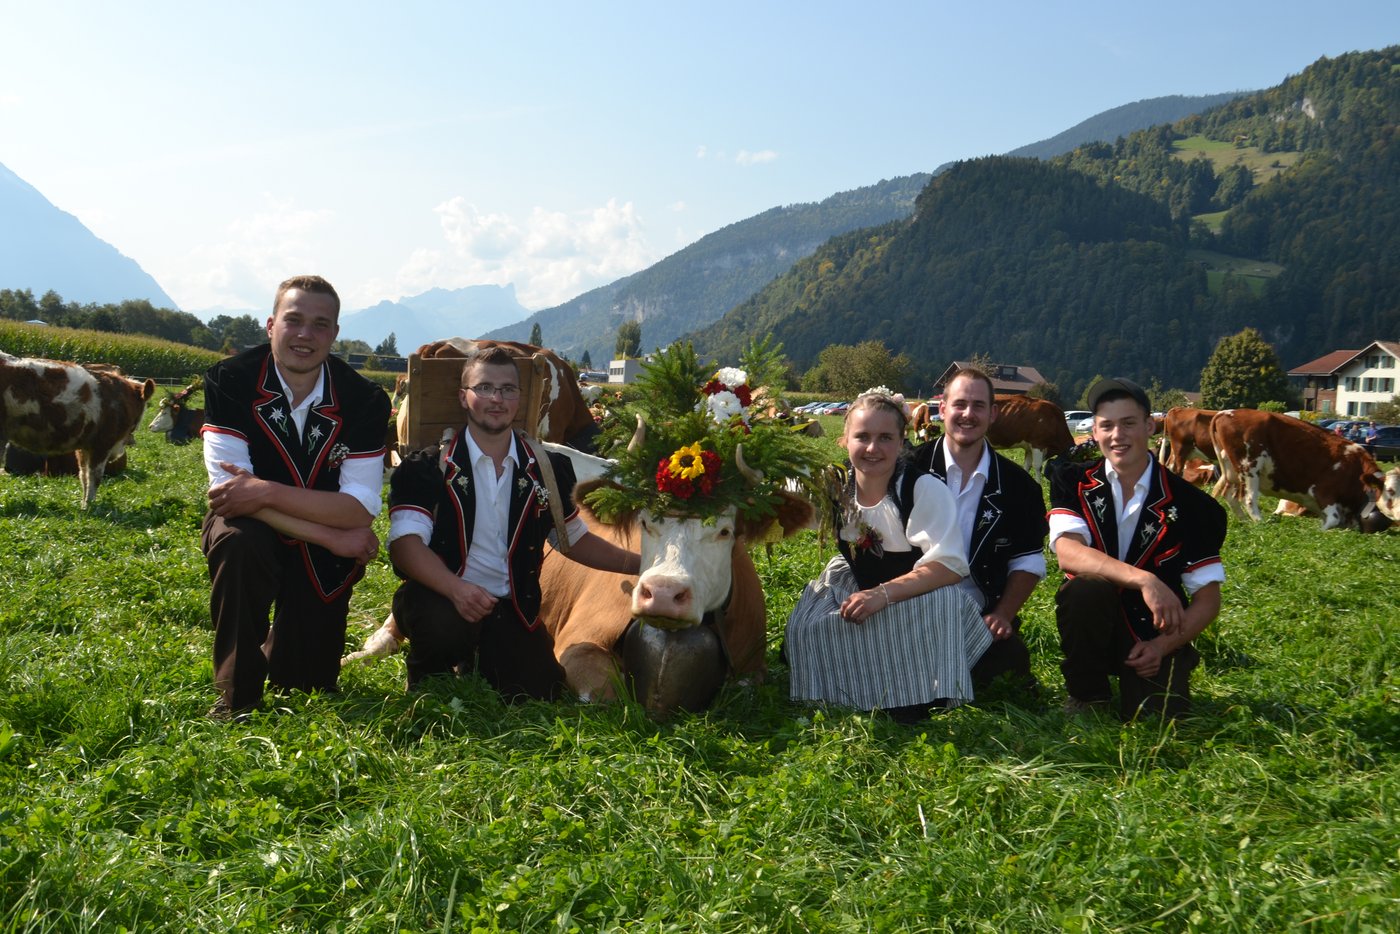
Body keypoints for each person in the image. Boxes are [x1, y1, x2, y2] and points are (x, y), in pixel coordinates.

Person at [387, 345, 640, 700]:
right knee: (442, 627)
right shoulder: (428, 467)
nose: (496, 399)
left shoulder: (549, 469)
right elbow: (405, 545)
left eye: (507, 389)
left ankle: (478, 660)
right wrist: (456, 590)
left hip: (510, 607)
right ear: (463, 397)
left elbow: (574, 539)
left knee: (541, 688)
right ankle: (428, 674)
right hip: (442, 597)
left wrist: (642, 564)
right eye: (484, 388)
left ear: (519, 399)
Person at [201, 275, 392, 718]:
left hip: (323, 542)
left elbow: (359, 510)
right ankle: (237, 695)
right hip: (266, 529)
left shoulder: (364, 399)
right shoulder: (231, 379)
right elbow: (230, 498)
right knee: (238, 540)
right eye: (294, 320)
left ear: (334, 334)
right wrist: (329, 535)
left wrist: (264, 490)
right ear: (271, 325)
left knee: (306, 683)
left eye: (320, 324)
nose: (305, 334)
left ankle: (284, 650)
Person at [785, 389, 992, 720]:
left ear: (901, 441)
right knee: (807, 625)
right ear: (844, 440)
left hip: (916, 593)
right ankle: (851, 686)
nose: (872, 448)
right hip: (856, 582)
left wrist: (881, 595)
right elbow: (779, 497)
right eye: (862, 437)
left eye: (885, 438)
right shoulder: (833, 485)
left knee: (945, 603)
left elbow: (949, 567)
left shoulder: (922, 489)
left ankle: (917, 692)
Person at [1048, 377, 1226, 720]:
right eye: (1107, 426)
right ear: (1095, 432)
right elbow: (1068, 552)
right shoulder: (1073, 481)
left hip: (1154, 630)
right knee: (1084, 588)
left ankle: (1162, 664)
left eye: (1128, 423)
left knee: (1156, 717)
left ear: (1149, 426)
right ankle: (1087, 693)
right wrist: (1146, 580)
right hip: (1092, 619)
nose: (1117, 435)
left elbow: (1208, 600)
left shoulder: (1196, 506)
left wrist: (1162, 646)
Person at [911, 368, 1048, 695]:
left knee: (1009, 665)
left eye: (978, 406)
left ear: (993, 414)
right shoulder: (909, 468)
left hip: (979, 613)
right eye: (960, 404)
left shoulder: (1020, 486)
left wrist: (1002, 614)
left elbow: (1028, 561)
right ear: (943, 409)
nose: (968, 414)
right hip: (910, 607)